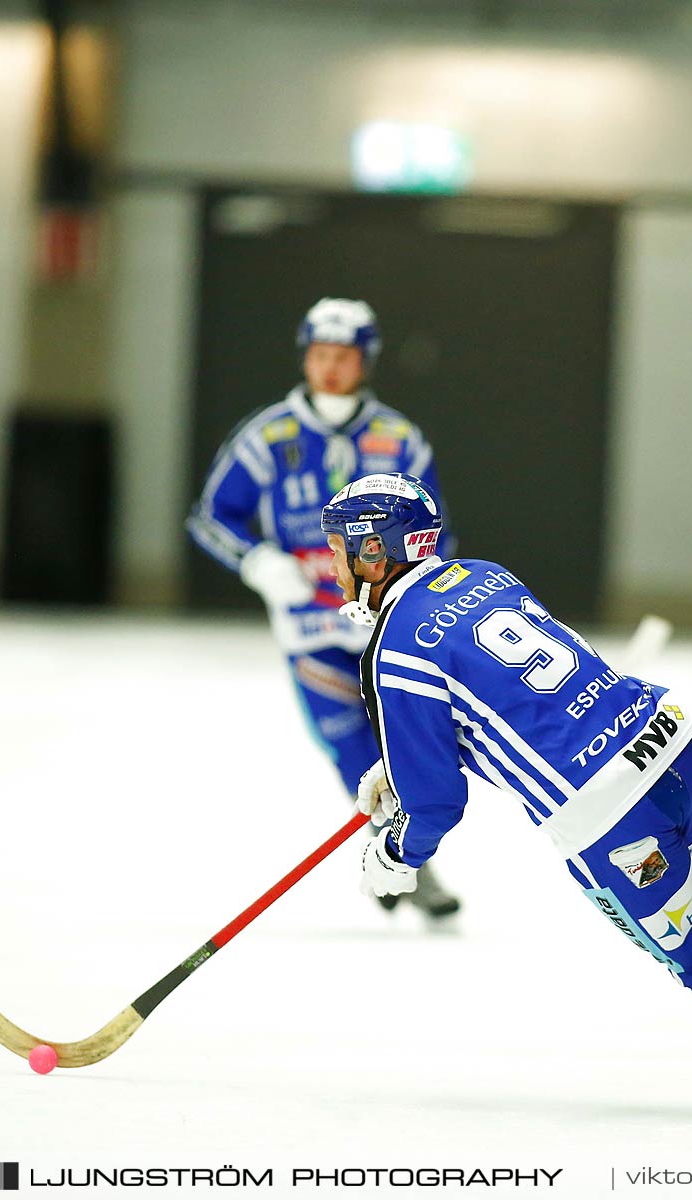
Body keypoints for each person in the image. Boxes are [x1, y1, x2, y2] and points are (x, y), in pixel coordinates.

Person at [319, 473, 692, 1120]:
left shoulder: (392, 647)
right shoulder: (482, 574)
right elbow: (502, 696)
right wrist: (396, 764)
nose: (332, 564)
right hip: (670, 742)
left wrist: (396, 855)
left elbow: (435, 804)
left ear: (376, 551)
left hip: (606, 813)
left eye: (340, 548)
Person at [187, 299, 460, 921]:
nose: (330, 368)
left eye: (343, 357)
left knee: (408, 742)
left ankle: (408, 854)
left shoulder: (400, 438)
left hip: (387, 625)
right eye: (319, 355)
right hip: (309, 625)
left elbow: (438, 531)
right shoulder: (267, 435)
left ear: (365, 360)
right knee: (349, 748)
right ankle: (410, 865)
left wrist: (419, 596)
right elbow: (211, 515)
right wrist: (257, 561)